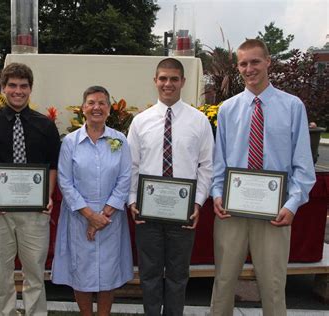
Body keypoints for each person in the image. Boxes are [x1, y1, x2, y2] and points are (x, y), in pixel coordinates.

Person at [210, 39, 316, 316]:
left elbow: (303, 165)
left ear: (268, 62)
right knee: (222, 283)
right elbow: (218, 161)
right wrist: (217, 195)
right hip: (231, 212)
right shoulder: (227, 109)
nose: (249, 68)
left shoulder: (292, 107)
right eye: (243, 63)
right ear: (238, 67)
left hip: (275, 212)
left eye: (255, 61)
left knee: (272, 285)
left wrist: (292, 205)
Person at [0, 62, 60, 316]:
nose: (18, 91)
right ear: (3, 88)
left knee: (35, 273)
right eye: (12, 85)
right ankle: (5, 313)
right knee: (1, 274)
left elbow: (53, 166)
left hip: (35, 212)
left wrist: (47, 196)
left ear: (30, 89)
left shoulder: (46, 125)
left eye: (23, 86)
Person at [127, 58, 214, 315]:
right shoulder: (140, 122)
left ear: (183, 82)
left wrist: (197, 203)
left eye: (174, 79)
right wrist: (132, 200)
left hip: (183, 214)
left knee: (178, 277)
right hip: (147, 214)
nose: (168, 84)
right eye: (163, 78)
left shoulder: (199, 121)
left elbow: (207, 166)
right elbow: (131, 165)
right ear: (155, 81)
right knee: (149, 275)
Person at [51, 86, 133, 316]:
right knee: (82, 271)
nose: (96, 107)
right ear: (83, 108)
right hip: (79, 217)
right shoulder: (70, 142)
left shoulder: (120, 140)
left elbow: (125, 178)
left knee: (108, 271)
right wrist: (89, 216)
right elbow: (65, 182)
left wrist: (103, 215)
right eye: (91, 103)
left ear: (109, 109)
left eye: (102, 103)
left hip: (110, 218)